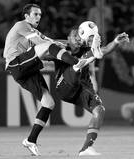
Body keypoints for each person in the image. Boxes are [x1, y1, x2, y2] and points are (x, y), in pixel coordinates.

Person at [3, 4, 98, 156]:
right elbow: (43, 43)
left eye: (40, 14)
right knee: (48, 46)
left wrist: (67, 44)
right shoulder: (21, 25)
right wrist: (61, 48)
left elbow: (51, 41)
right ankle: (77, 63)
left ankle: (30, 140)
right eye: (35, 14)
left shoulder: (34, 31)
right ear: (26, 16)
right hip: (16, 64)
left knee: (49, 103)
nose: (38, 17)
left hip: (28, 70)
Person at [50, 21, 129, 156]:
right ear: (68, 38)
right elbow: (42, 50)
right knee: (82, 62)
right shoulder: (60, 47)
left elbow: (105, 50)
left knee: (99, 110)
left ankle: (86, 148)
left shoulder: (86, 50)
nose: (77, 38)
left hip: (83, 88)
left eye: (79, 35)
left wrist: (116, 41)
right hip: (64, 86)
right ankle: (77, 66)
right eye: (74, 35)